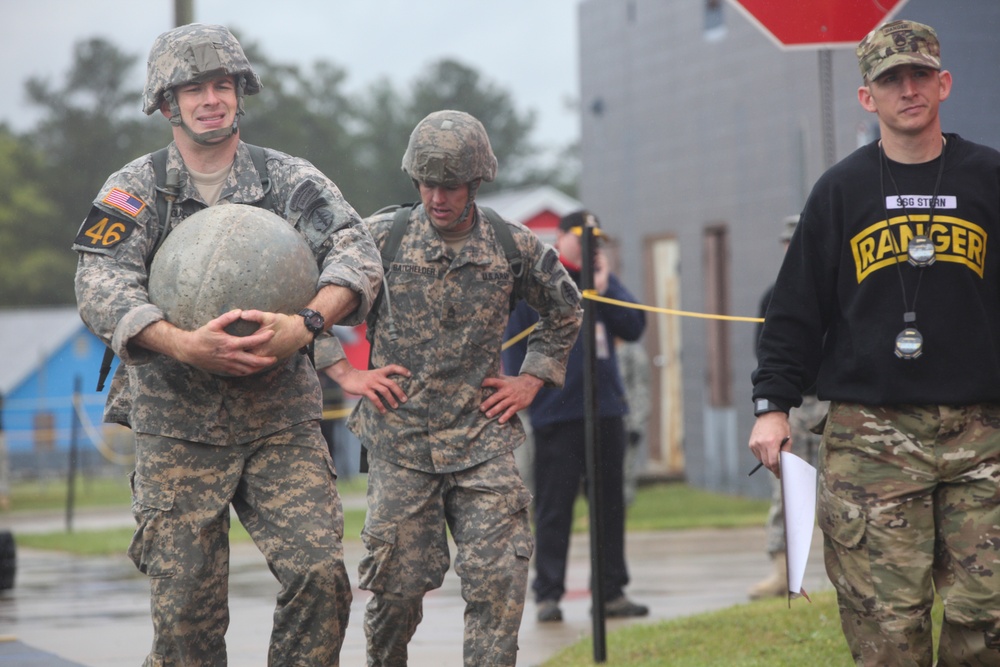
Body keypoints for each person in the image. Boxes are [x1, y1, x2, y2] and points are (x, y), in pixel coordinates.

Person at [73, 24, 382, 666]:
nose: (210, 99)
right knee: (185, 614)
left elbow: (357, 254)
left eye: (222, 85)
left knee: (320, 578)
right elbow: (99, 281)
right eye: (193, 89)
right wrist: (182, 344)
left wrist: (308, 323)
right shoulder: (132, 189)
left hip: (279, 422)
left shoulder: (289, 180)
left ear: (240, 94)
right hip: (176, 425)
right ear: (167, 103)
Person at [750, 19, 1000, 665]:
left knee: (991, 616)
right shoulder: (841, 190)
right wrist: (772, 405)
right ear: (869, 97)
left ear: (943, 83)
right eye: (892, 79)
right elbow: (794, 311)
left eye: (920, 75)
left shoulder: (989, 178)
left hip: (984, 431)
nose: (908, 89)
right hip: (871, 438)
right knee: (887, 627)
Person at [322, 110, 582, 666]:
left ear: (476, 182)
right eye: (428, 183)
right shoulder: (379, 240)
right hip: (401, 444)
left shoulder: (513, 246)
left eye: (451, 185)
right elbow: (306, 298)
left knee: (499, 584)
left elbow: (566, 310)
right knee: (396, 591)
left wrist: (532, 379)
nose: (438, 197)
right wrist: (344, 372)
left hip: (482, 440)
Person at [503, 210, 648, 623]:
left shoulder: (602, 280)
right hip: (557, 413)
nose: (591, 248)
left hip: (606, 410)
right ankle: (548, 593)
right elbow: (515, 342)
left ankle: (611, 592)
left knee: (609, 505)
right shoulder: (543, 275)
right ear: (562, 237)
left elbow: (635, 326)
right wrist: (526, 393)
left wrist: (606, 288)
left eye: (596, 241)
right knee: (554, 508)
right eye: (583, 239)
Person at [748, 215, 829, 600]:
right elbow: (767, 353)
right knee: (785, 493)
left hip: (832, 403)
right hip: (793, 407)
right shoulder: (774, 296)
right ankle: (782, 570)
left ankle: (840, 571)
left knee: (839, 489)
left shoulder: (837, 288)